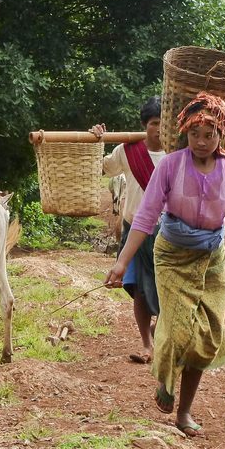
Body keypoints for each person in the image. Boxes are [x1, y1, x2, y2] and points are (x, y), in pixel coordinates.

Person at [105, 91, 225, 438]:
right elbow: (145, 216)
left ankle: (184, 410)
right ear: (184, 132)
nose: (201, 142)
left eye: (210, 134)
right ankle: (167, 383)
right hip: (170, 254)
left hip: (211, 259)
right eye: (195, 134)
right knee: (180, 330)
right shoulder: (171, 165)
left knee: (208, 336)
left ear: (222, 135)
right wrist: (121, 262)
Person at [90, 97, 165, 366]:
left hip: (167, 233)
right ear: (145, 125)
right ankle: (146, 344)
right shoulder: (128, 150)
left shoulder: (180, 152)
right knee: (140, 290)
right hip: (134, 227)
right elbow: (101, 168)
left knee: (170, 289)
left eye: (164, 122)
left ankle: (161, 334)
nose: (159, 128)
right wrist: (95, 141)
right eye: (154, 123)